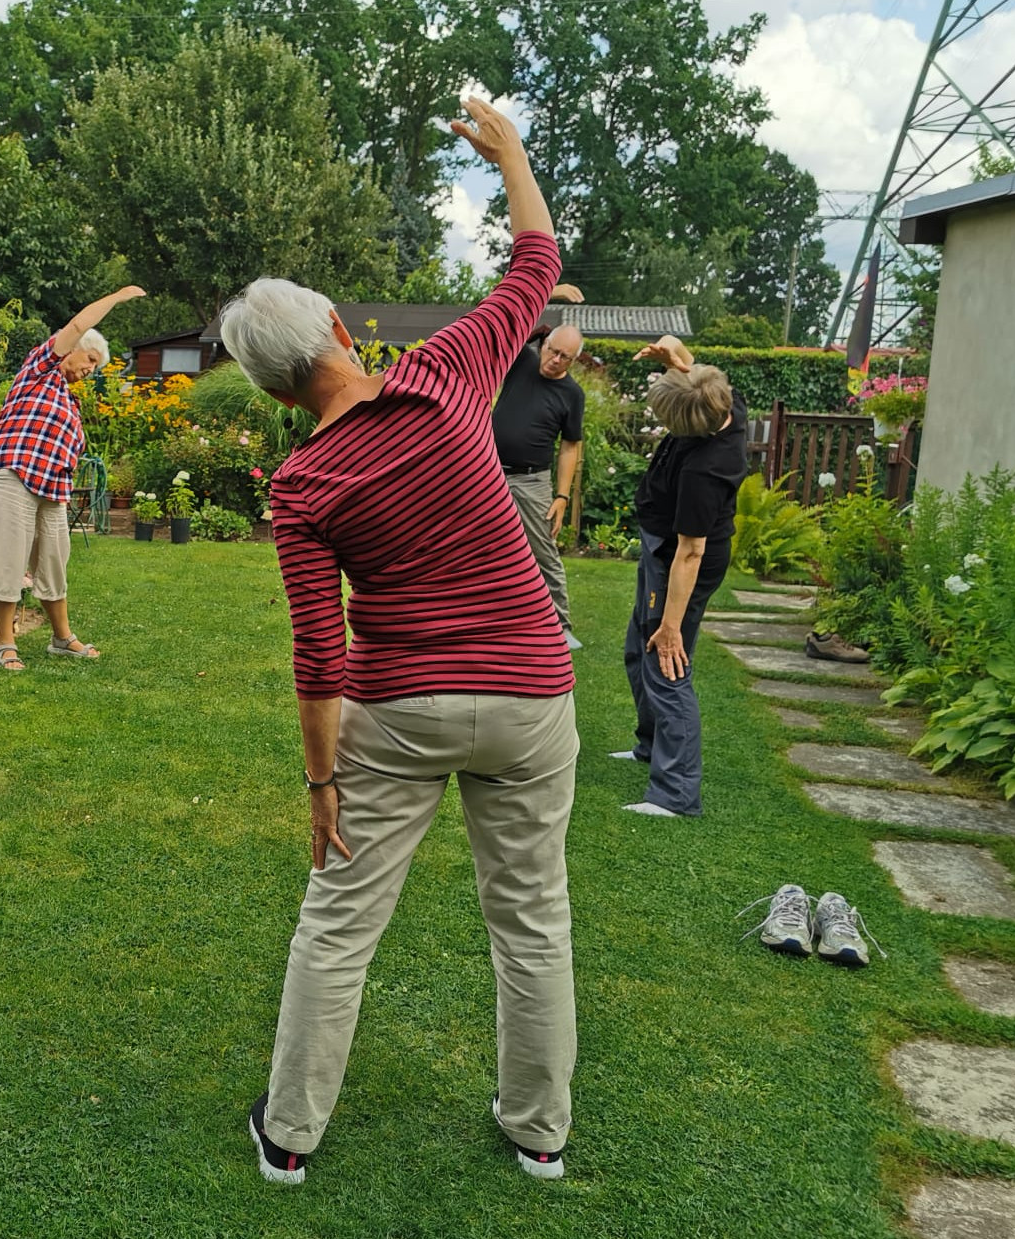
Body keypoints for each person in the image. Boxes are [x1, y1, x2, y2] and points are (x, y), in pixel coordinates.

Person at [221, 99, 579, 1184]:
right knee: (533, 918)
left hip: (397, 712)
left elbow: (318, 654)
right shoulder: (445, 373)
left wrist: (321, 782)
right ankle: (539, 1135)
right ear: (337, 329)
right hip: (527, 697)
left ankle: (289, 1138)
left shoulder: (300, 483)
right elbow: (537, 257)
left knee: (337, 925)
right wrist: (510, 154)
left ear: (271, 387)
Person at [612, 335, 749, 816]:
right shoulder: (724, 403)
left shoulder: (705, 471)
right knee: (638, 649)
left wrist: (670, 627)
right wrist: (677, 359)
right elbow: (700, 378)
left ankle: (675, 793)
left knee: (665, 663)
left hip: (679, 562)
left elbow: (691, 553)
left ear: (692, 430)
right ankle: (649, 746)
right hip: (663, 550)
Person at [0, 286, 144, 671]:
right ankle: (5, 643)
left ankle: (62, 638)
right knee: (7, 560)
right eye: (89, 359)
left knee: (54, 563)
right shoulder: (41, 370)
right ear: (70, 349)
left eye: (96, 367)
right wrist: (117, 297)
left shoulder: (69, 398)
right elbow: (79, 322)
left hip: (51, 490)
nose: (90, 369)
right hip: (13, 475)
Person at [491, 318, 587, 649]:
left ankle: (561, 625)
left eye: (565, 357)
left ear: (573, 361)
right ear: (543, 345)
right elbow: (503, 320)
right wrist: (551, 289)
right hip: (488, 473)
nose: (555, 360)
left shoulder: (572, 394)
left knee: (543, 551)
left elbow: (570, 446)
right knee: (478, 545)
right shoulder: (522, 361)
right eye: (553, 351)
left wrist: (562, 495)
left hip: (533, 481)